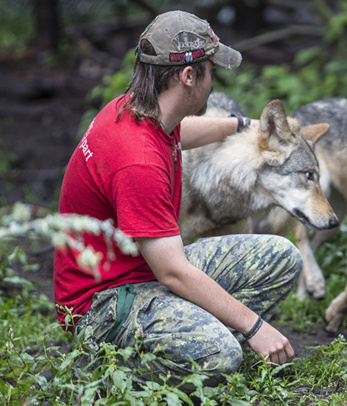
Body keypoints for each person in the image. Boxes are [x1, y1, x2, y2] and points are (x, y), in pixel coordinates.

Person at [53, 10, 302, 389]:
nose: (213, 82)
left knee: (282, 257)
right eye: (211, 71)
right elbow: (172, 271)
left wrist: (241, 125)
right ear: (189, 76)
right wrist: (255, 327)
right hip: (102, 306)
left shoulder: (135, 110)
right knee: (223, 354)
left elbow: (179, 131)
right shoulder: (137, 161)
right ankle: (104, 373)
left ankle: (186, 336)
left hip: (137, 273)